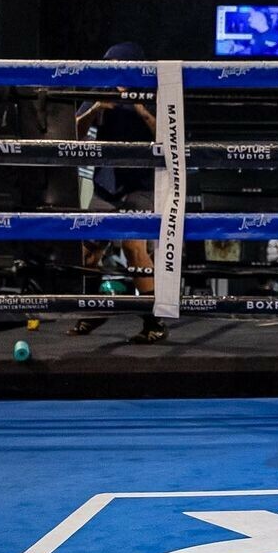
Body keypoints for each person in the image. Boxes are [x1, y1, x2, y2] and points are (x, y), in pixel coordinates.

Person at [68, 41, 167, 344]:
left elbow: (167, 137)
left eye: (117, 66)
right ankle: (94, 310)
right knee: (88, 251)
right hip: (107, 182)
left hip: (141, 183)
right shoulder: (101, 90)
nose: (112, 71)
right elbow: (74, 134)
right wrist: (96, 108)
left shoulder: (155, 94)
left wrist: (137, 106)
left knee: (133, 246)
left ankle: (154, 322)